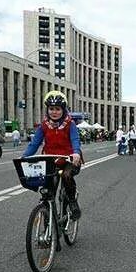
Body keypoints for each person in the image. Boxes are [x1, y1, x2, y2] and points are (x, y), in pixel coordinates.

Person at [21, 91, 83, 219]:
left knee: (66, 176)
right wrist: (24, 157)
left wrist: (76, 153)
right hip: (51, 161)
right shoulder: (44, 126)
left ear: (63, 110)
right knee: (48, 191)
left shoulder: (70, 124)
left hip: (69, 160)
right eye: (51, 109)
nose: (54, 112)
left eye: (57, 109)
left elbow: (75, 140)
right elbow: (34, 144)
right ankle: (47, 224)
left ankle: (72, 202)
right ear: (47, 109)